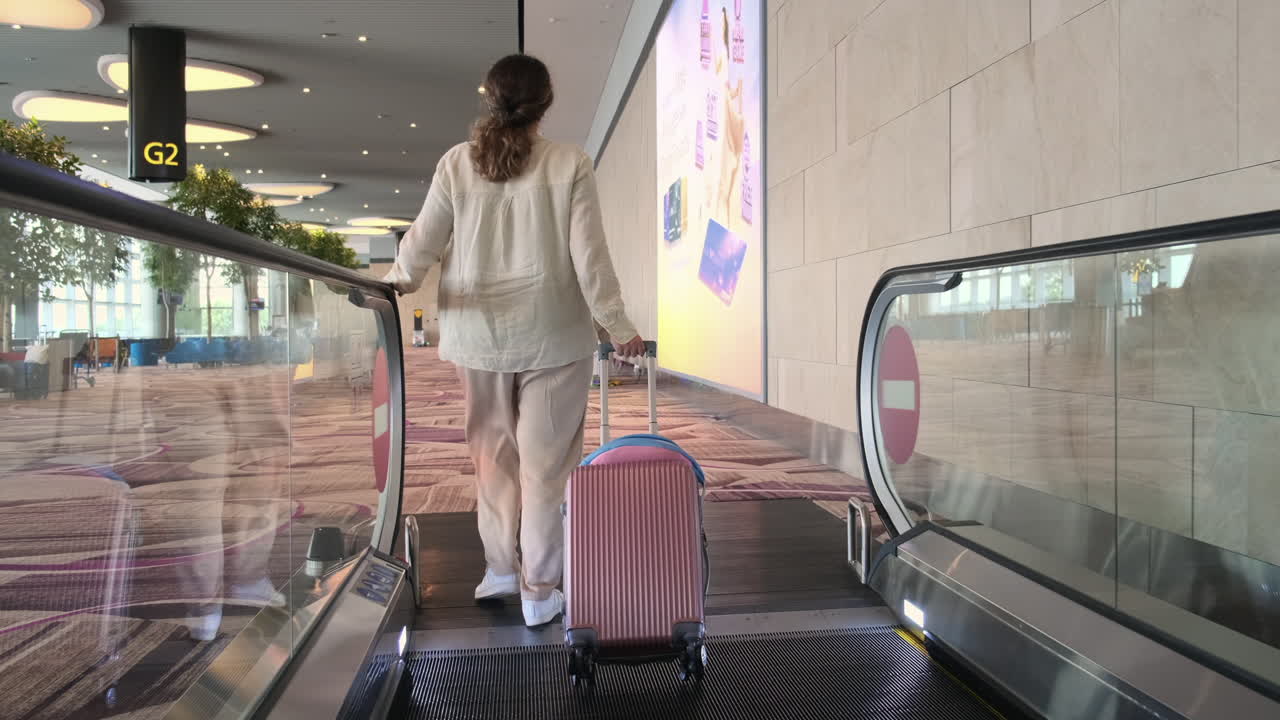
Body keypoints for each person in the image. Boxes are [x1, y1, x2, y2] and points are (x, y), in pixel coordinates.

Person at [385, 54, 644, 627]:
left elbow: (419, 246)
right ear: (544, 103)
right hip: (553, 336)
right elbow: (589, 256)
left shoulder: (457, 163)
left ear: (490, 98)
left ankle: (500, 569)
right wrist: (618, 326)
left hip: (477, 340)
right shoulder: (569, 162)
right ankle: (539, 589)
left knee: (494, 463)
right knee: (546, 471)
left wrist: (390, 287)